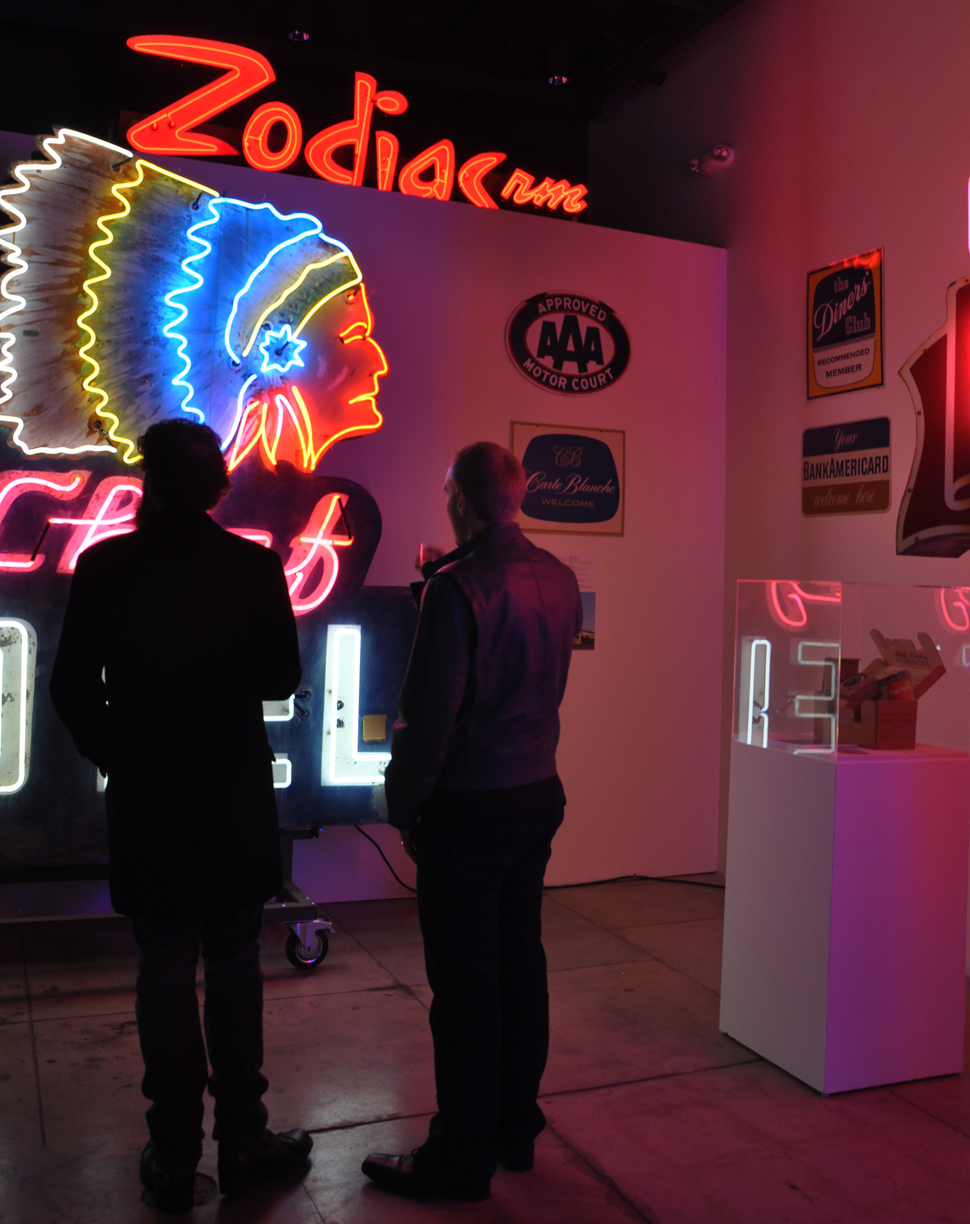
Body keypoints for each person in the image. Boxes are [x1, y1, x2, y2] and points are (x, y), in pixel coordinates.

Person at [49, 420, 312, 1212]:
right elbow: (282, 678)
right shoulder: (254, 566)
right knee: (234, 963)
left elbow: (69, 688)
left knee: (162, 967)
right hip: (232, 793)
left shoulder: (106, 566)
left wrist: (119, 750)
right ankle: (244, 1141)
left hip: (150, 797)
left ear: (149, 481)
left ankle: (172, 1154)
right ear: (219, 486)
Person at [362, 441, 583, 1202]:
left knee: (465, 987)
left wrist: (402, 803)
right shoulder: (560, 577)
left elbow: (430, 718)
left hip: (471, 806)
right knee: (521, 965)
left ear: (459, 497)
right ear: (516, 496)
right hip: (536, 791)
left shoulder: (456, 589)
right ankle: (514, 1127)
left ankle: (461, 1156)